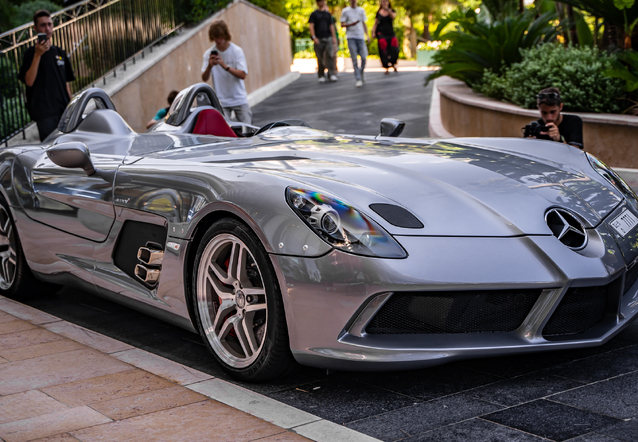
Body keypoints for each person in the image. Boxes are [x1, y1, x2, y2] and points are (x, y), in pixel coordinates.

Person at [18, 9, 75, 142]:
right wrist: (38, 55)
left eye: (49, 24)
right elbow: (29, 81)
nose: (47, 28)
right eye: (43, 25)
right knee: (52, 149)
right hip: (45, 113)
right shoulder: (30, 53)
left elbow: (66, 83)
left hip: (63, 110)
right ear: (35, 28)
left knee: (69, 146)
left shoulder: (60, 52)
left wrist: (72, 107)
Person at [201, 20, 252, 124]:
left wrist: (224, 66)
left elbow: (243, 75)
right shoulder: (208, 54)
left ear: (225, 35)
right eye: (215, 38)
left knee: (248, 132)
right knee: (226, 136)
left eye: (220, 37)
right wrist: (209, 66)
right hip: (221, 101)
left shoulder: (236, 51)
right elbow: (204, 78)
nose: (218, 40)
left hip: (239, 99)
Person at [341, 0, 370, 87]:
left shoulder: (361, 10)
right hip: (351, 37)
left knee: (364, 57)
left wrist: (367, 35)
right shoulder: (345, 11)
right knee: (354, 59)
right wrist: (350, 25)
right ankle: (358, 78)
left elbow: (364, 23)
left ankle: (361, 73)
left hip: (360, 37)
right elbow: (342, 24)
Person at [309, 0, 338, 83]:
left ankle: (331, 74)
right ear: (318, 3)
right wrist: (314, 37)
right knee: (320, 57)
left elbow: (331, 26)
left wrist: (333, 37)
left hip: (328, 37)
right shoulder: (314, 14)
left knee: (330, 55)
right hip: (319, 38)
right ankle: (321, 74)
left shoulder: (328, 14)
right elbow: (311, 26)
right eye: (321, 1)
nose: (323, 3)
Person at [371, 0, 399, 75]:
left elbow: (393, 17)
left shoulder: (392, 11)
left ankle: (393, 63)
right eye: (383, 1)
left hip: (390, 33)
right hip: (381, 33)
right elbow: (375, 23)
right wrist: (373, 32)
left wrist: (388, 10)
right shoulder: (378, 12)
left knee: (394, 49)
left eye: (385, 1)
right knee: (383, 49)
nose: (384, 3)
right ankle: (386, 66)